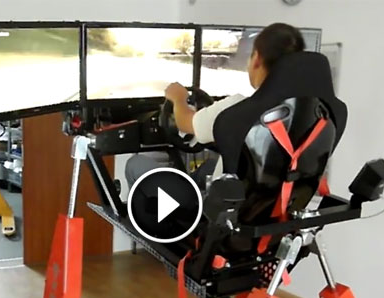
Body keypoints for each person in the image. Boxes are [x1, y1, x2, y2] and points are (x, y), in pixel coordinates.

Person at [125, 22, 307, 188]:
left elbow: (184, 123)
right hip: (263, 202)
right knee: (210, 165)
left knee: (135, 164)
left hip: (220, 207)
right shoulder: (306, 114)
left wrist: (178, 98)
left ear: (257, 59)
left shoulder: (238, 108)